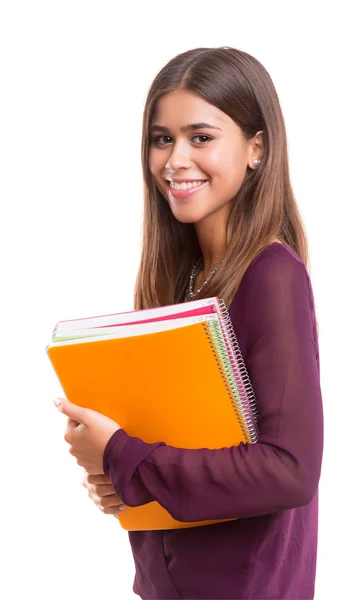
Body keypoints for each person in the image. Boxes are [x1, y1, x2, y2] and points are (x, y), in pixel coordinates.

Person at [56, 46, 324, 599]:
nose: (175, 159)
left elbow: (288, 471)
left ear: (256, 148)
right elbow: (197, 448)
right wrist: (126, 480)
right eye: (162, 138)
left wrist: (123, 455)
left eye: (201, 138)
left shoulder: (271, 275)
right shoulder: (186, 279)